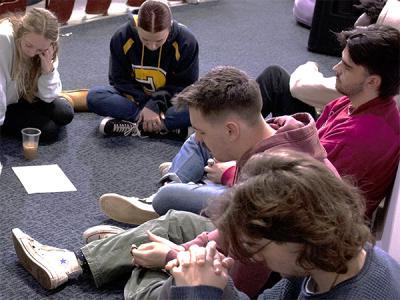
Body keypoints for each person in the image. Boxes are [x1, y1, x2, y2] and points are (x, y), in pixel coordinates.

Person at [11, 66, 337, 299]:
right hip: (260, 251)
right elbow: (233, 230)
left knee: (152, 274)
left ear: (231, 130)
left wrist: (173, 258)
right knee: (176, 221)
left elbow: (245, 280)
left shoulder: (270, 177)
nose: (198, 139)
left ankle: (127, 254)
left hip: (276, 275)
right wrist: (180, 248)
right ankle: (77, 261)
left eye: (202, 132)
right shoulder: (281, 132)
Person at [103, 23, 400, 222]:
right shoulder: (350, 101)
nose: (335, 68)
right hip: (274, 173)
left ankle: (167, 195)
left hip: (280, 204)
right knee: (203, 134)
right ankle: (174, 187)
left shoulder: (365, 135)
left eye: (346, 67)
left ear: (372, 81)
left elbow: (299, 191)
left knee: (189, 166)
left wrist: (231, 174)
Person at [165, 150, 400, 300]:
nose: (254, 257)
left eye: (257, 246)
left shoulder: (363, 291)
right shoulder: (322, 260)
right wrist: (219, 281)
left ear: (300, 235)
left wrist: (197, 292)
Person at [86, 0, 199, 139]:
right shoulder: (121, 36)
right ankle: (164, 127)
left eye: (159, 41)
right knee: (95, 96)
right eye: (145, 40)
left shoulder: (186, 41)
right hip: (135, 99)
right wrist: (147, 105)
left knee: (203, 107)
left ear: (169, 28)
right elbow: (119, 80)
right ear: (137, 26)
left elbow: (184, 86)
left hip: (170, 101)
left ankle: (136, 127)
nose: (152, 46)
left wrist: (156, 104)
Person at [0, 8, 74, 141]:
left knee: (65, 113)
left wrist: (48, 72)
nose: (32, 53)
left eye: (40, 49)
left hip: (22, 97)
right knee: (49, 131)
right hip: (5, 100)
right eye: (28, 45)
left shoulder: (49, 47)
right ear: (21, 33)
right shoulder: (3, 39)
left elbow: (48, 97)